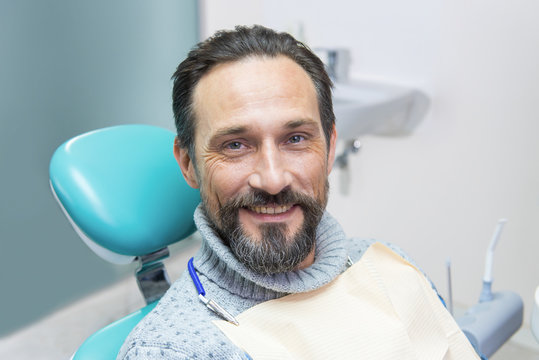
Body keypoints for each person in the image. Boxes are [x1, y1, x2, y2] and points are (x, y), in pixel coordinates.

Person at [117, 25, 421, 359]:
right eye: (235, 145)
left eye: (296, 139)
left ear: (331, 147)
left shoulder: (389, 266)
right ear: (189, 163)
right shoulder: (171, 350)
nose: (274, 180)